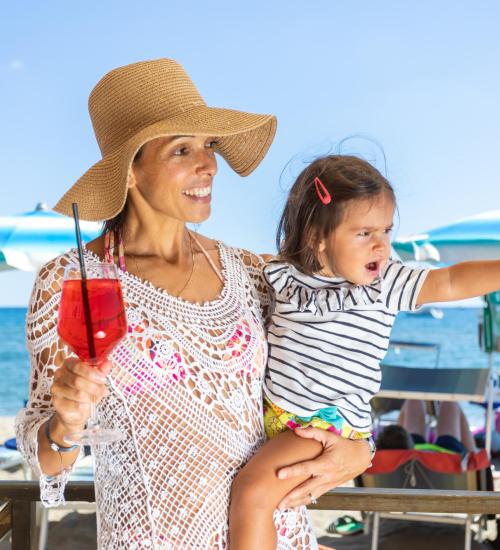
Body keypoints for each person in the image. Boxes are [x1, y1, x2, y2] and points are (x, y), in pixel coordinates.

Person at [15, 59, 372, 550]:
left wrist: (358, 447)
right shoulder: (71, 280)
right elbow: (46, 459)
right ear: (130, 172)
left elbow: (330, 364)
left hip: (275, 536)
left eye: (209, 145)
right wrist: (65, 424)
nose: (209, 164)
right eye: (183, 149)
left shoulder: (250, 272)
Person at [228, 154, 500, 550]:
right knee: (267, 503)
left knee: (252, 495)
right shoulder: (283, 275)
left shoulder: (386, 282)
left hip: (323, 425)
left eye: (387, 231)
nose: (381, 244)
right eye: (364, 232)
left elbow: (453, 281)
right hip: (279, 420)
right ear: (317, 237)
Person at [376, 399, 477, 455]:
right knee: (450, 402)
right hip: (448, 459)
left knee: (413, 401)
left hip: (406, 459)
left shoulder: (373, 469)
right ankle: (474, 455)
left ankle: (394, 457)